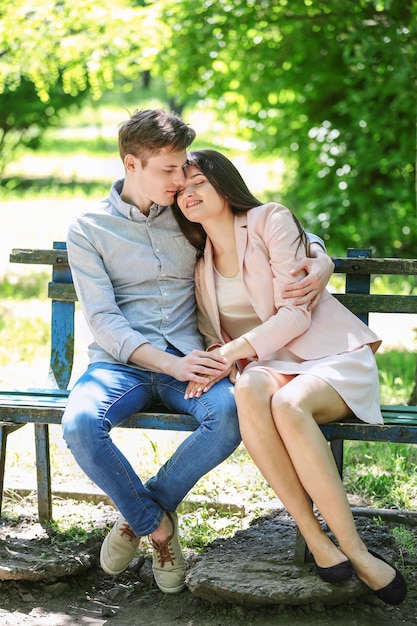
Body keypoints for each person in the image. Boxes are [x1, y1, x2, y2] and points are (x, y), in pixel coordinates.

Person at [61, 110, 333, 595]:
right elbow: (103, 320)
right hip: (120, 365)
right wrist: (169, 363)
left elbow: (257, 220)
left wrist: (320, 254)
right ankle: (159, 527)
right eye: (168, 170)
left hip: (194, 359)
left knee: (228, 415)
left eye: (183, 167)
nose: (180, 180)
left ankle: (135, 517)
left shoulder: (188, 213)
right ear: (131, 164)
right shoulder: (89, 229)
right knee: (80, 424)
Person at [173, 149, 407, 606]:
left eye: (198, 181)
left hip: (330, 356)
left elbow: (296, 315)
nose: (189, 194)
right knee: (249, 388)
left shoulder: (267, 220)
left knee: (288, 403)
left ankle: (355, 551)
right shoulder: (200, 265)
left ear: (223, 183)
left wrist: (231, 353)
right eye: (180, 190)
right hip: (267, 367)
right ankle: (318, 542)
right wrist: (210, 362)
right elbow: (213, 337)